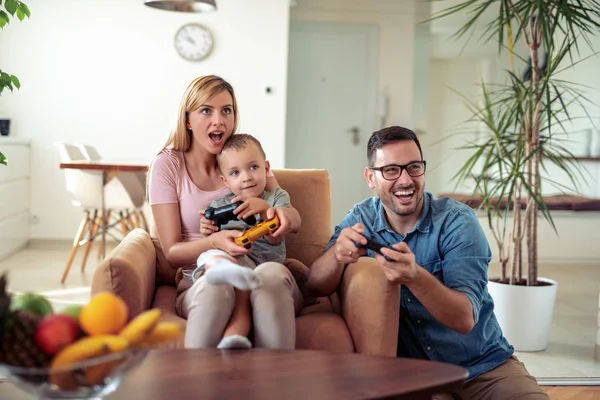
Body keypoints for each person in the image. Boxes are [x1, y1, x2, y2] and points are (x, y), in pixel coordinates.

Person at [305, 126, 548, 399]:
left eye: (413, 167)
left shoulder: (457, 222)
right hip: (417, 378)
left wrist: (415, 277)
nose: (405, 180)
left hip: (483, 368)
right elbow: (313, 284)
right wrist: (337, 255)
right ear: (370, 177)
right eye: (391, 170)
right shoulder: (362, 218)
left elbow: (465, 319)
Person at [148, 75, 303, 349]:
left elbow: (283, 212)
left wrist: (272, 213)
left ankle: (275, 383)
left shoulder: (245, 161)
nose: (218, 120)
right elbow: (171, 252)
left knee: (267, 276)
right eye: (206, 110)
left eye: (226, 110)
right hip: (202, 272)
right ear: (187, 119)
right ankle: (197, 384)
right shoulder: (167, 165)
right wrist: (212, 242)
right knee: (215, 283)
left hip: (261, 264)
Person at [193, 133, 291, 350]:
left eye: (253, 167)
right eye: (235, 173)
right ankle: (219, 267)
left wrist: (265, 209)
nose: (246, 177)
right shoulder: (221, 203)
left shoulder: (277, 197)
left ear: (266, 168)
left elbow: (277, 235)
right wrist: (207, 230)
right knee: (209, 253)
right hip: (231, 259)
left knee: (244, 278)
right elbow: (211, 238)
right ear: (224, 180)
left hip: (260, 263)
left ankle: (234, 334)